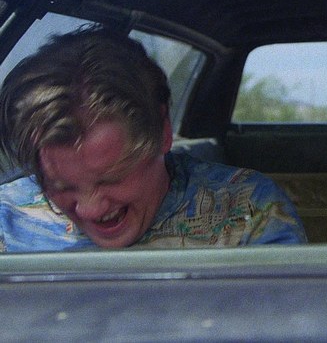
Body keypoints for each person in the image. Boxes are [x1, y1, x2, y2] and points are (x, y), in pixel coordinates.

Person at [0, 26, 307, 251]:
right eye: (61, 186)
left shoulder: (247, 211)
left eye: (111, 178)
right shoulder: (6, 219)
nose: (90, 210)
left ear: (163, 133)